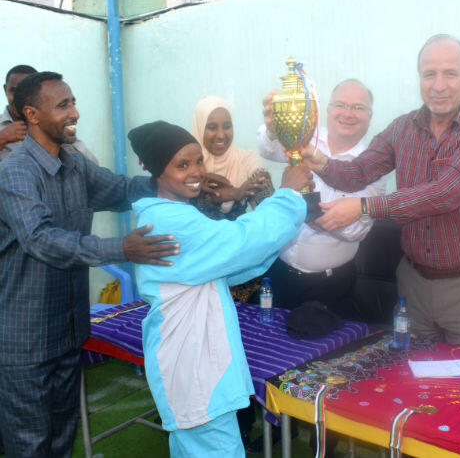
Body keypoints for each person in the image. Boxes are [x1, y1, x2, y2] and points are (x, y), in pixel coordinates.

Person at [0, 72, 180, 458]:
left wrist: (172, 180)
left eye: (73, 102)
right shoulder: (15, 172)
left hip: (67, 329)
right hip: (24, 338)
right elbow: (39, 239)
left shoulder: (74, 165)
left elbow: (120, 189)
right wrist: (121, 248)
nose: (75, 112)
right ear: (31, 114)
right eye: (63, 105)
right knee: (30, 444)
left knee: (63, 435)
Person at [301, 36, 460, 352]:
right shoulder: (402, 128)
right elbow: (358, 172)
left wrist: (362, 207)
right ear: (419, 78)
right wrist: (322, 163)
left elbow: (444, 194)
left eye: (450, 73)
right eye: (429, 74)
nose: (439, 85)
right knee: (415, 376)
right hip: (413, 284)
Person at [128, 120, 311, 458]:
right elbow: (242, 242)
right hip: (195, 369)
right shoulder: (173, 223)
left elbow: (239, 262)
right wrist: (287, 195)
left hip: (193, 364)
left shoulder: (175, 214)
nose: (195, 171)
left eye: (198, 161)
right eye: (182, 164)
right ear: (156, 170)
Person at [258, 79, 386, 319]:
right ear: (327, 110)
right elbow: (267, 149)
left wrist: (301, 204)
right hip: (278, 272)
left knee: (323, 352)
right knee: (271, 346)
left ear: (370, 116)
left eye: (358, 107)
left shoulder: (374, 165)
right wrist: (273, 129)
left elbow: (355, 231)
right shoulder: (306, 137)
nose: (348, 114)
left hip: (329, 287)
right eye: (340, 105)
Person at [192, 95, 273, 221]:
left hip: (238, 239)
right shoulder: (186, 167)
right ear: (200, 128)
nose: (221, 135)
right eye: (212, 127)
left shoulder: (246, 160)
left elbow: (268, 209)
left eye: (227, 126)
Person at [1, 64, 99, 164]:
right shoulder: (2, 130)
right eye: (14, 91)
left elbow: (91, 165)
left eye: (27, 94)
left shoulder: (53, 124)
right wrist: (3, 138)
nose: (20, 99)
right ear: (5, 90)